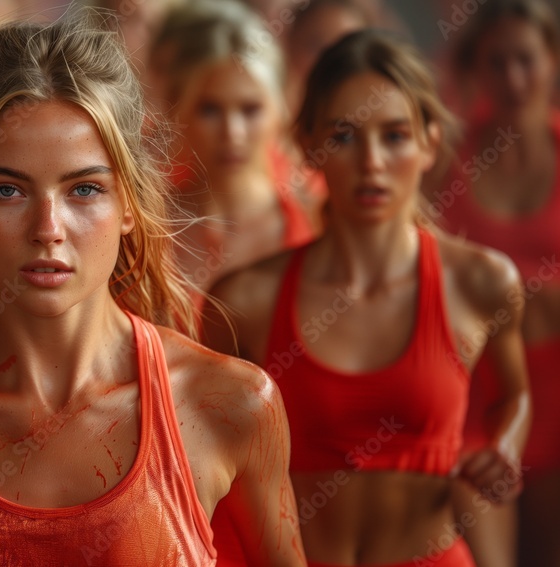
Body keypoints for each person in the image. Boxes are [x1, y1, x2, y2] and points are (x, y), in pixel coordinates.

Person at [0, 13, 305, 567]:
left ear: (130, 205)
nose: (47, 228)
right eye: (7, 189)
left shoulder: (231, 405)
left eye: (84, 189)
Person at [204, 30, 530, 566]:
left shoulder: (482, 282)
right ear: (309, 144)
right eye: (345, 136)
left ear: (428, 142)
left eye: (395, 136)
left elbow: (511, 397)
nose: (372, 161)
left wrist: (506, 447)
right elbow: (209, 455)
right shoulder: (245, 300)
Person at [431, 1, 560, 565]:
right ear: (474, 71)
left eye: (526, 60)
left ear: (552, 61)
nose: (513, 79)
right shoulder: (444, 164)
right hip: (478, 397)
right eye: (497, 62)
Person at [149, 0, 322, 293]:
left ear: (280, 110)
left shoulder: (319, 218)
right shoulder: (145, 226)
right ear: (178, 110)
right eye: (210, 110)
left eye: (250, 109)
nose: (232, 133)